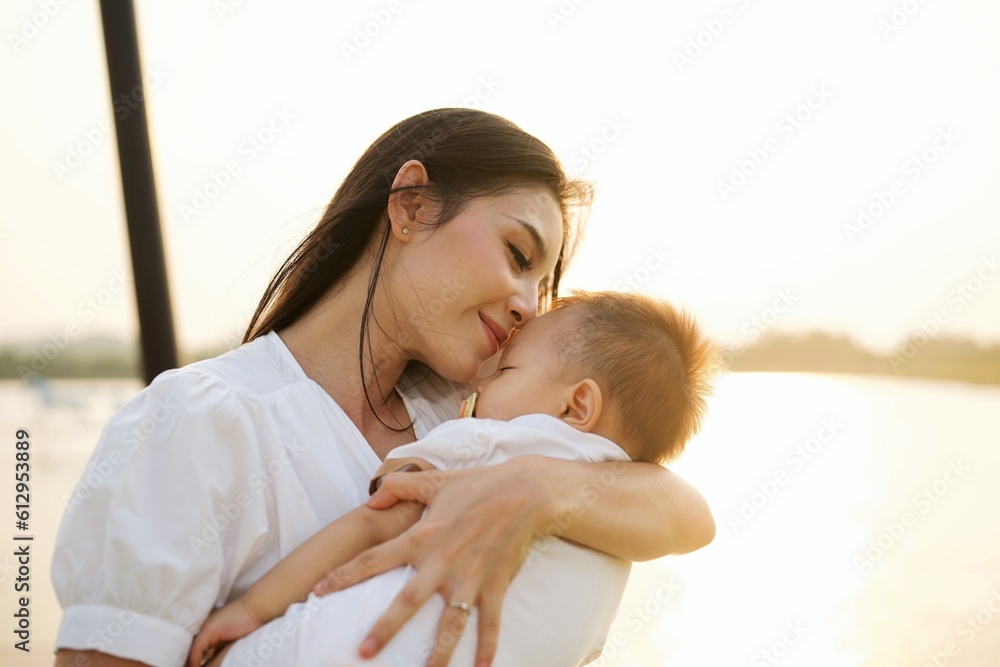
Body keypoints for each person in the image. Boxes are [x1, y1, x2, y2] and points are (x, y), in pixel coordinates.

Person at [51, 109, 717, 667]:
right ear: (412, 206)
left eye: (541, 289)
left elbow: (686, 514)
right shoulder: (204, 421)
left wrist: (537, 489)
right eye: (518, 255)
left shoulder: (472, 423)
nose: (527, 306)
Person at [186, 290, 720, 667]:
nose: (481, 381)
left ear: (577, 404)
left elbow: (376, 522)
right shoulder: (620, 537)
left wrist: (250, 610)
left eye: (507, 371)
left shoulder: (499, 444)